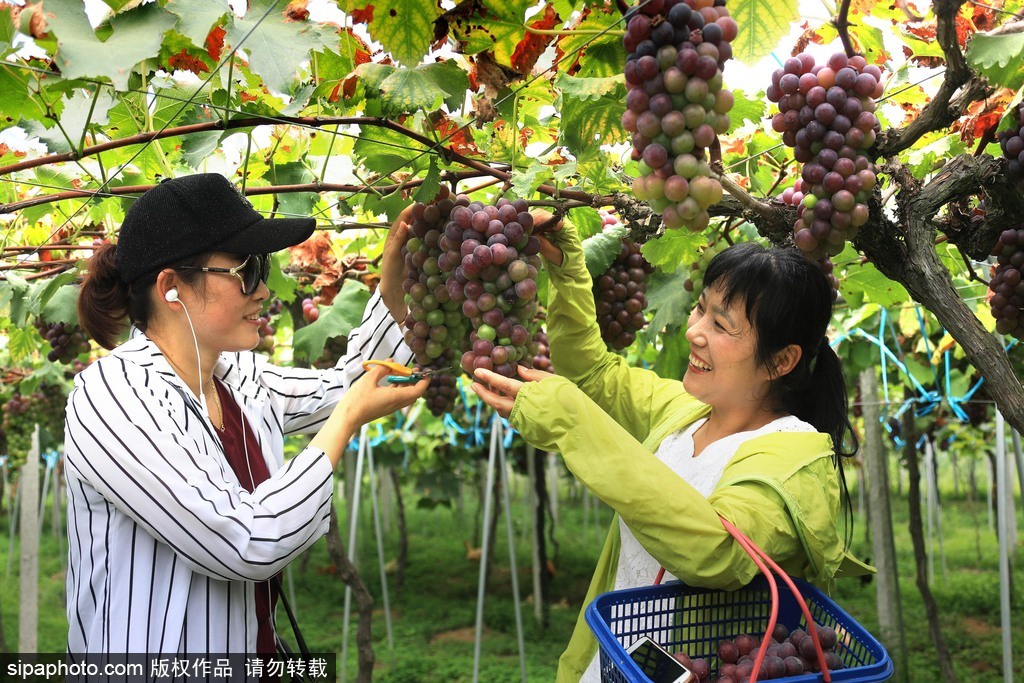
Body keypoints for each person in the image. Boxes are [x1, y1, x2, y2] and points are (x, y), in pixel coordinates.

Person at [471, 220, 872, 682]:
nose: (694, 332)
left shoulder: (795, 458)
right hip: (613, 666)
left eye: (721, 325)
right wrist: (568, 269)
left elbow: (717, 550)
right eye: (700, 309)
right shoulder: (684, 413)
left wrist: (571, 421)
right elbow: (593, 374)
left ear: (780, 361)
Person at [66, 173, 427, 660]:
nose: (263, 291)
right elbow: (246, 542)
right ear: (172, 287)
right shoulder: (113, 396)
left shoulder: (236, 378)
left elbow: (352, 384)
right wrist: (344, 422)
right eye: (246, 270)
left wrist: (394, 284)